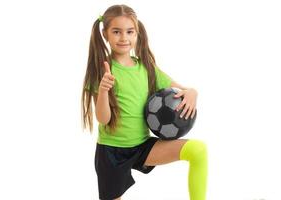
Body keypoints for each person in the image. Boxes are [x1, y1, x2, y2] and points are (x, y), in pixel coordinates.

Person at [81, 4, 208, 200]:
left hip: (142, 147)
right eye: (116, 32)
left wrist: (193, 92)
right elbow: (103, 119)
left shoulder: (147, 68)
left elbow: (183, 90)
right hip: (111, 153)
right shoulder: (101, 71)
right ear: (105, 34)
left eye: (129, 32)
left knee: (198, 150)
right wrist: (104, 91)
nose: (124, 38)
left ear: (136, 33)